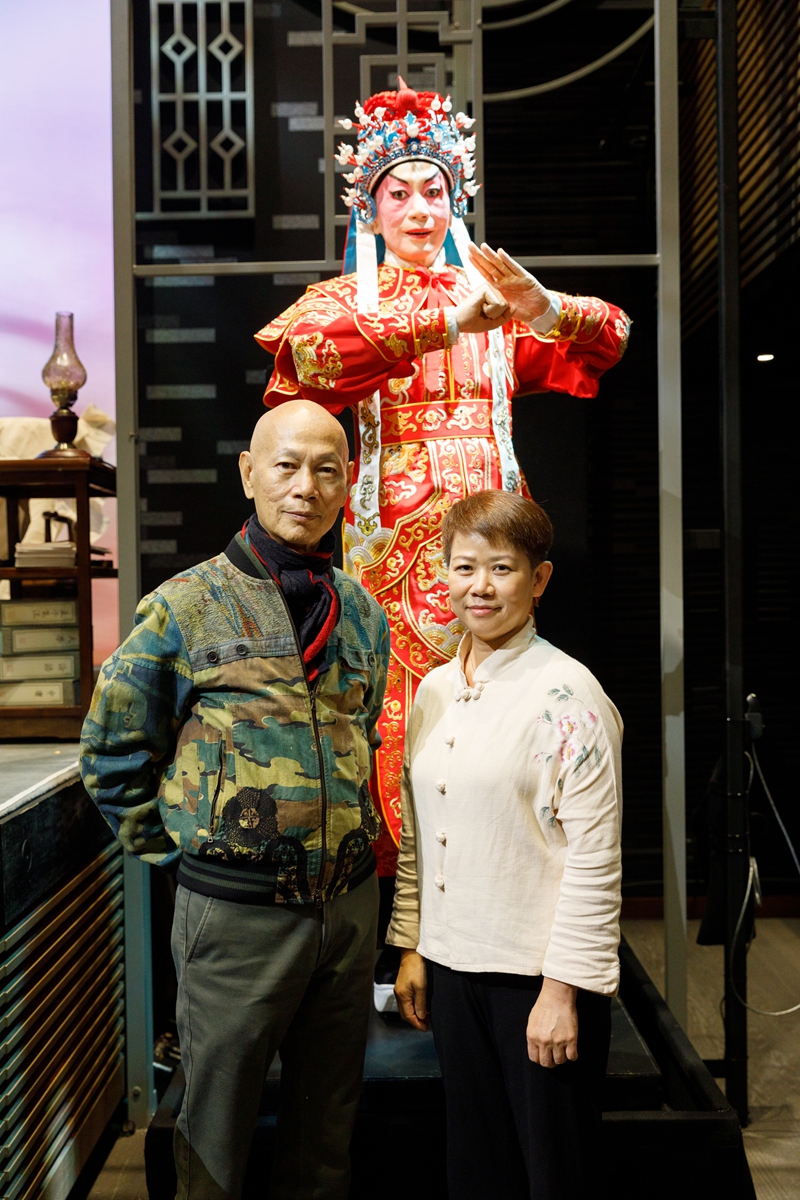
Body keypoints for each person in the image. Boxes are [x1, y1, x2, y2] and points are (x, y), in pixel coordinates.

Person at [253, 79, 631, 879]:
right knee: (399, 718)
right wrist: (446, 322)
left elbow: (609, 339)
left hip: (494, 543)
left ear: (455, 202)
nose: (420, 209)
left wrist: (544, 307)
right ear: (370, 208)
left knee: (506, 709)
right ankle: (407, 905)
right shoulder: (349, 303)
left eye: (435, 191)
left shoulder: (495, 302)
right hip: (394, 550)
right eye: (400, 194)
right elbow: (308, 355)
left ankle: (503, 876)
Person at [80, 400, 390, 1200]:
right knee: (214, 1138)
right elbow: (111, 752)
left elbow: (363, 736)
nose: (305, 487)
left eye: (326, 469)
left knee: (326, 1137)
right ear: (249, 473)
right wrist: (183, 859)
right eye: (286, 466)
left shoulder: (363, 612)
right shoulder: (185, 606)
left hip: (348, 910)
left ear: (347, 482)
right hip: (235, 917)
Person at [387, 490, 623, 1200]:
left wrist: (561, 993)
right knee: (477, 1170)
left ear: (538, 579)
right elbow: (419, 830)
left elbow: (596, 859)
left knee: (554, 1175)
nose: (480, 587)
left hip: (537, 980)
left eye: (502, 568)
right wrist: (413, 945)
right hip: (453, 970)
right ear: (444, 574)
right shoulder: (433, 689)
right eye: (465, 568)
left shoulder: (569, 694)